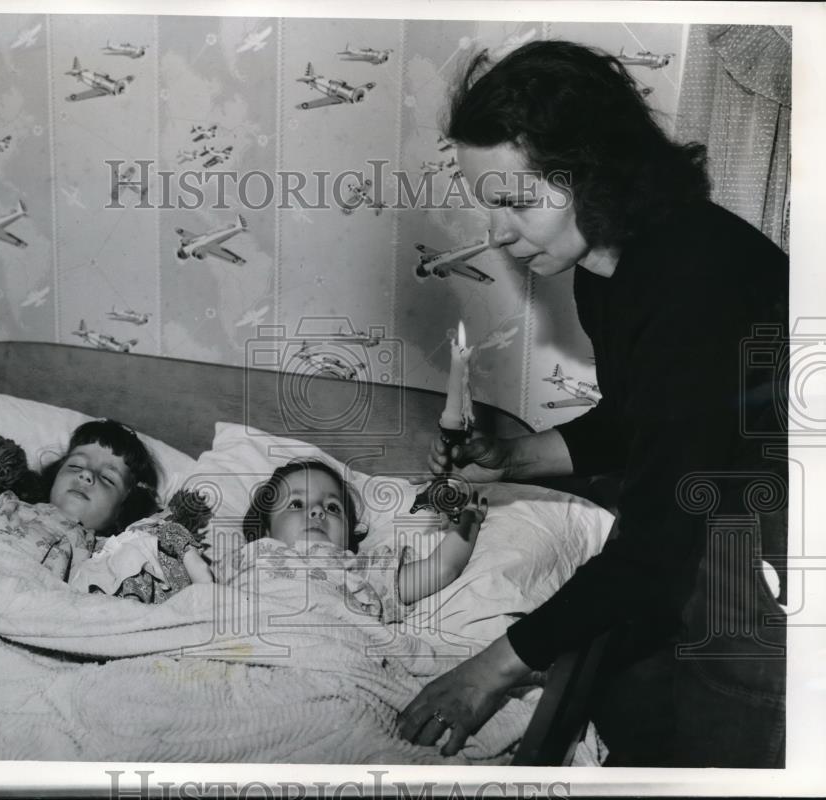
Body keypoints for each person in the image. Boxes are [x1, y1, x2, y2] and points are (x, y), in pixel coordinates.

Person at [396, 40, 787, 768]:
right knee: (631, 710)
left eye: (516, 202)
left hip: (771, 546)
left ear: (595, 172)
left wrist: (486, 671)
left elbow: (655, 550)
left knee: (725, 751)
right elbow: (643, 420)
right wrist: (516, 454)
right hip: (714, 518)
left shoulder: (696, 285)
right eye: (489, 206)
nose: (498, 234)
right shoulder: (606, 265)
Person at [235, 459, 488, 621]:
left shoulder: (359, 571)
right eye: (297, 504)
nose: (317, 511)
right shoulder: (245, 559)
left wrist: (468, 519)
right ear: (266, 529)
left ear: (348, 535)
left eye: (333, 508)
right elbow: (202, 594)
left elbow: (439, 569)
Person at [0, 419, 163, 581]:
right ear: (55, 475)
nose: (86, 474)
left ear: (124, 508)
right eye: (75, 465)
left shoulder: (106, 555)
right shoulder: (7, 502)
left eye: (107, 478)